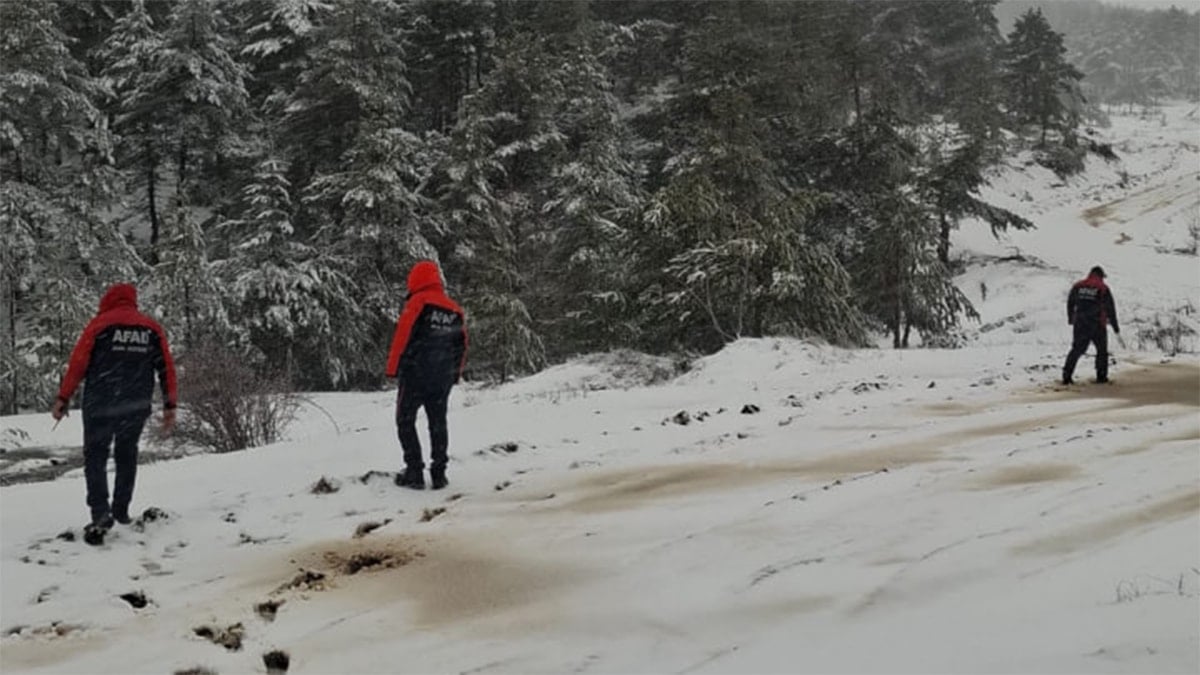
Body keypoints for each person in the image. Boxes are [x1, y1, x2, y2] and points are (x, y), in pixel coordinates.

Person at [51, 283, 177, 531]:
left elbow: (78, 363)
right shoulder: (151, 328)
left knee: (95, 457)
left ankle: (100, 513)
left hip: (101, 402)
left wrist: (64, 397)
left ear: (107, 300)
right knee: (126, 454)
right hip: (136, 404)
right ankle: (121, 511)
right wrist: (170, 404)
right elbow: (166, 368)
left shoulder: (99, 326)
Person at [385, 260, 467, 490]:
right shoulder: (454, 309)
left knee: (405, 420)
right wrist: (455, 374)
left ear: (415, 280)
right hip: (442, 377)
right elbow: (462, 344)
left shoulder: (417, 302)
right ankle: (439, 473)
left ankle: (414, 472)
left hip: (415, 374)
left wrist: (392, 368)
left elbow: (402, 336)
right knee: (438, 422)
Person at [1062, 266, 1119, 385]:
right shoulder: (1103, 288)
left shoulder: (1078, 286)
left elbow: (1070, 302)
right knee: (1102, 351)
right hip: (1097, 324)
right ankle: (1101, 377)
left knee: (1076, 349)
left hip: (1080, 323)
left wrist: (1071, 318)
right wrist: (1115, 326)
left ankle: (1067, 376)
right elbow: (1110, 308)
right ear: (1101, 276)